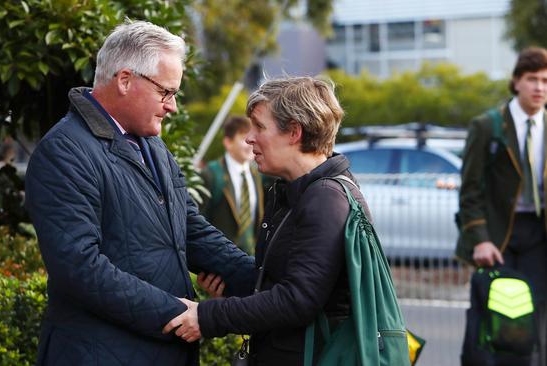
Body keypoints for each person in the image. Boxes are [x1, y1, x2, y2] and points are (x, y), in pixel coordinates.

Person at [24, 20, 255, 366]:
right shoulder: (64, 152)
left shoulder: (152, 145)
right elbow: (80, 268)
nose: (172, 106)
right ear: (125, 80)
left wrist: (263, 284)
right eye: (166, 92)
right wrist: (182, 315)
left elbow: (189, 229)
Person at [163, 76, 373, 365]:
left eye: (260, 127)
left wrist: (208, 316)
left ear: (294, 132)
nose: (250, 138)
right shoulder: (295, 190)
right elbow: (286, 282)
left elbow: (297, 300)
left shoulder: (326, 198)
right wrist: (235, 281)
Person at [456, 46, 547, 366]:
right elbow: (469, 190)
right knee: (492, 312)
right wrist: (479, 237)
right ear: (516, 82)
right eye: (533, 79)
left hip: (539, 234)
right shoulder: (488, 126)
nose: (540, 87)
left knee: (534, 317)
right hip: (497, 235)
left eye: (546, 81)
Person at [200, 116, 264, 254]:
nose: (250, 143)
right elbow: (199, 222)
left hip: (252, 261)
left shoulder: (258, 174)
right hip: (222, 260)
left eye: (252, 137)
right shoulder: (211, 174)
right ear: (228, 142)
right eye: (243, 138)